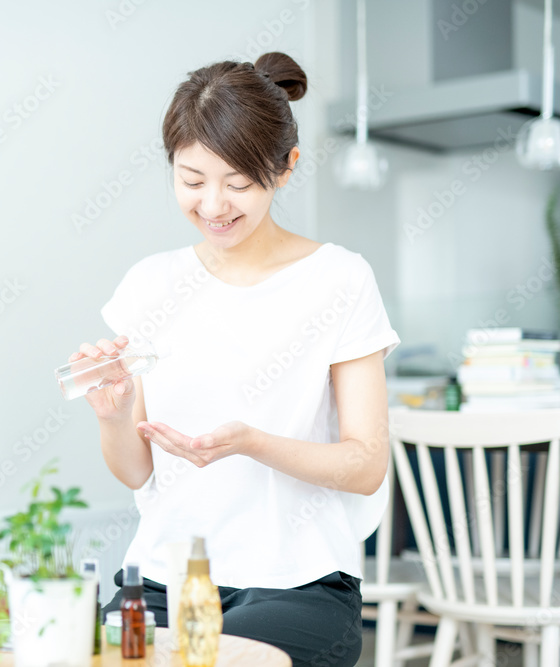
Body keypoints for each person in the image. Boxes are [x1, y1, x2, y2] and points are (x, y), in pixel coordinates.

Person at [68, 52, 400, 667]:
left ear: (286, 167)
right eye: (192, 180)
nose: (214, 204)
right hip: (165, 578)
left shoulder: (339, 280)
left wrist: (252, 443)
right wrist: (112, 415)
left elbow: (365, 465)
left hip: (298, 584)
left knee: (216, 660)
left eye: (238, 183)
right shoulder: (149, 285)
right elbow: (136, 472)